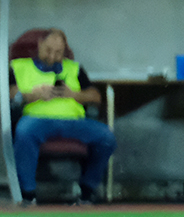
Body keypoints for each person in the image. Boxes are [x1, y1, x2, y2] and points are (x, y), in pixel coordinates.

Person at [8, 29, 115, 205]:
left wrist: (73, 94)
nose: (52, 56)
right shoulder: (19, 66)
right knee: (24, 131)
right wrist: (33, 95)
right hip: (37, 119)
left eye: (58, 53)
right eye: (48, 50)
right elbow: (10, 95)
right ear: (39, 44)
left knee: (106, 137)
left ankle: (87, 192)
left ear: (64, 51)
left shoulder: (74, 68)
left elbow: (95, 96)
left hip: (74, 122)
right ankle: (28, 194)